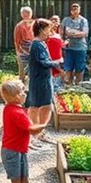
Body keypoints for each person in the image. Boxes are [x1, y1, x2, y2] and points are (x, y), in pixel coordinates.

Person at [26, 18, 62, 149]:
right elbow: (44, 62)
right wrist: (58, 62)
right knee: (43, 106)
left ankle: (38, 133)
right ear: (41, 30)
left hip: (41, 78)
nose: (50, 31)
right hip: (40, 79)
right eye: (48, 28)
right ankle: (35, 134)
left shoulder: (40, 43)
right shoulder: (37, 44)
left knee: (39, 106)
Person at [63, 3, 89, 86]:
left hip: (80, 48)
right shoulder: (66, 20)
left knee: (79, 68)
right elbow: (62, 31)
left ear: (79, 10)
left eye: (76, 9)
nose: (74, 11)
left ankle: (78, 85)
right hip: (69, 48)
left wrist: (72, 34)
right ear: (70, 10)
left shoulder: (83, 20)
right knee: (68, 68)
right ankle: (69, 86)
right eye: (73, 9)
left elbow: (84, 33)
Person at [13, 6, 34, 83]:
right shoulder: (20, 26)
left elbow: (16, 41)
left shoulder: (34, 24)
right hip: (27, 51)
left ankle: (25, 88)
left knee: (25, 72)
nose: (26, 15)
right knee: (26, 71)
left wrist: (18, 52)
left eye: (27, 13)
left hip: (28, 51)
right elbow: (17, 41)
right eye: (26, 13)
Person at [45, 15, 65, 95]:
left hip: (60, 58)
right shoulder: (47, 34)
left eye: (56, 21)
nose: (54, 23)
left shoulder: (58, 33)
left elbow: (61, 45)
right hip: (51, 59)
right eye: (52, 21)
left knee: (59, 81)